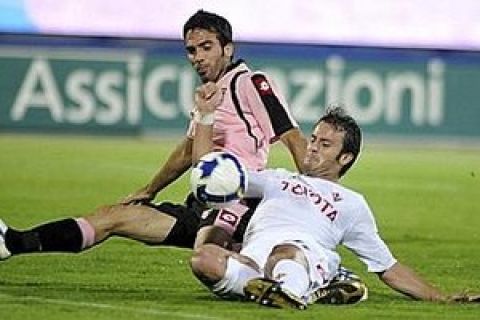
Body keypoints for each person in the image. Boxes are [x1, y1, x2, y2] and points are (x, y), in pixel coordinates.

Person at [0, 10, 305, 265]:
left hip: (236, 204)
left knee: (209, 260)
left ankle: (289, 269)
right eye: (191, 50)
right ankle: (14, 242)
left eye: (206, 47)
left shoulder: (250, 82)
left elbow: (291, 136)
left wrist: (316, 199)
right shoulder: (209, 95)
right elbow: (189, 153)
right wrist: (149, 190)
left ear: (228, 48)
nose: (197, 57)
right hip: (200, 206)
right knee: (114, 216)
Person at [189, 107, 480, 310]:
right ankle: (287, 292)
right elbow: (211, 172)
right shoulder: (277, 178)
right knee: (203, 259)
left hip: (300, 254)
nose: (312, 147)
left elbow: (388, 268)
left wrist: (439, 298)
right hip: (254, 259)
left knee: (285, 254)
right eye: (313, 139)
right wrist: (206, 116)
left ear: (345, 158)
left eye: (325, 144)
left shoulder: (352, 204)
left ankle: (288, 289)